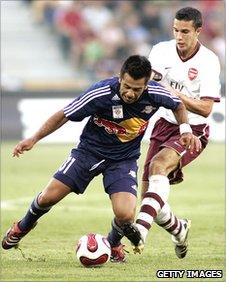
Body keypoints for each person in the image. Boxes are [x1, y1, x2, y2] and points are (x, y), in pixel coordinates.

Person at [2, 55, 201, 262]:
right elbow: (64, 115)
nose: (130, 93)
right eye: (127, 86)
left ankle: (113, 244)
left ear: (146, 85)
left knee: (125, 215)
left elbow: (178, 105)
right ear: (120, 77)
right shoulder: (101, 92)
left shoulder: (156, 93)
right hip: (88, 152)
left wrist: (185, 129)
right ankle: (22, 227)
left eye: (137, 89)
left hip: (123, 159)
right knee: (48, 198)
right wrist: (34, 139)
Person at [132, 7, 221, 259]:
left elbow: (205, 108)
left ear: (198, 31)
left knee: (159, 165)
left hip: (192, 130)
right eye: (175, 30)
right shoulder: (160, 51)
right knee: (149, 195)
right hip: (162, 125)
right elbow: (148, 87)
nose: (179, 37)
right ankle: (179, 228)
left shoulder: (208, 60)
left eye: (185, 32)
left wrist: (176, 96)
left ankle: (139, 232)